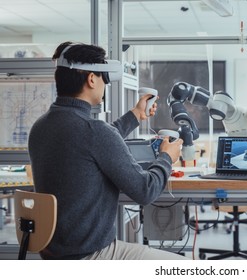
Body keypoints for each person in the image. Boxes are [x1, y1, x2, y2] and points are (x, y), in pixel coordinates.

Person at [28, 41, 186, 260]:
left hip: (54, 252)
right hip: (91, 255)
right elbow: (145, 191)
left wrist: (136, 115)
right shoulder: (94, 131)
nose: (105, 85)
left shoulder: (42, 126)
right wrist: (167, 157)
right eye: (104, 78)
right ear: (92, 79)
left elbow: (93, 140)